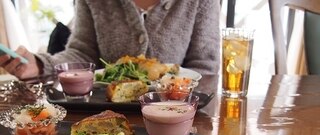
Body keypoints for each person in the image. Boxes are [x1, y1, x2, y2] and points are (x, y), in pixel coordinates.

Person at [0, 0, 220, 80]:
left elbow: (205, 68)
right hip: (107, 114)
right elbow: (83, 54)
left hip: (175, 118)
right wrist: (40, 65)